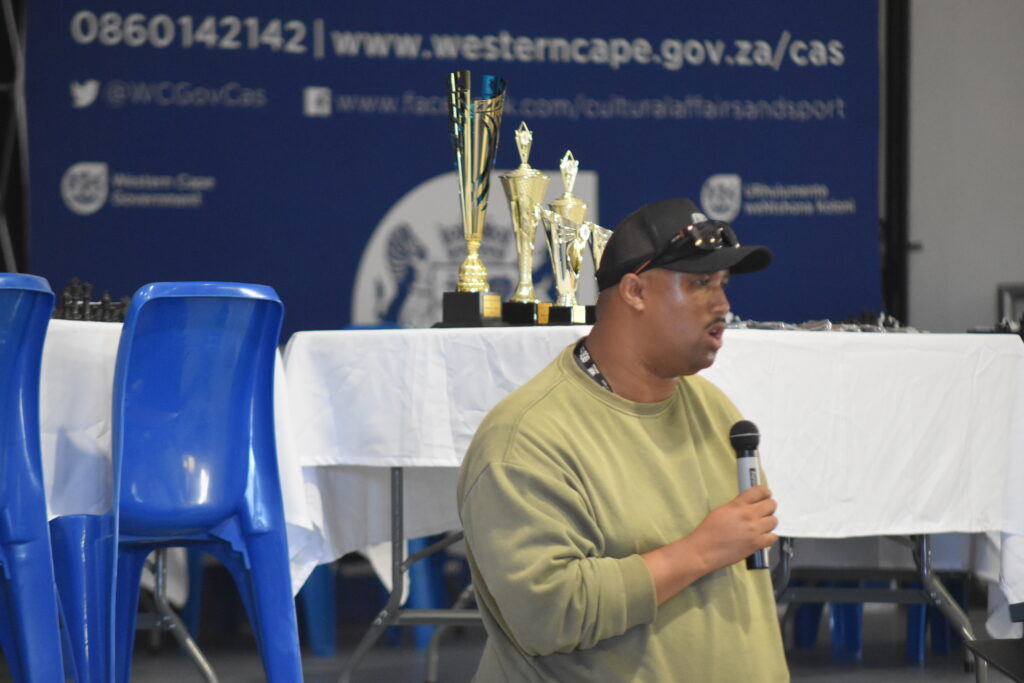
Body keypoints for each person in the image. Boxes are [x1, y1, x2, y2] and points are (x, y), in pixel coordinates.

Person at [456, 197, 788, 681]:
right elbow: (546, 614)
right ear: (635, 291)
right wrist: (700, 550)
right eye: (699, 284)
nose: (723, 306)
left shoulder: (714, 409)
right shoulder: (525, 439)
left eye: (723, 284)